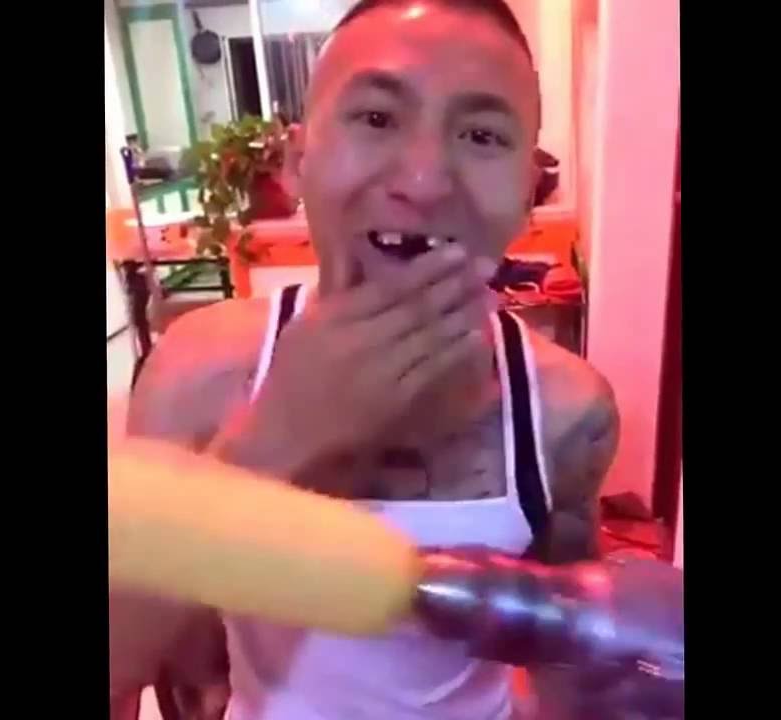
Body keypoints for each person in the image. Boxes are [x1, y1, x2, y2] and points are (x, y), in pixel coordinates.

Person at [125, 1, 621, 718]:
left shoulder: (567, 410)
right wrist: (279, 437)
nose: (424, 182)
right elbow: (140, 662)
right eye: (378, 118)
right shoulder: (198, 373)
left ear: (528, 191)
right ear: (297, 164)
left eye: (481, 135)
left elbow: (567, 653)